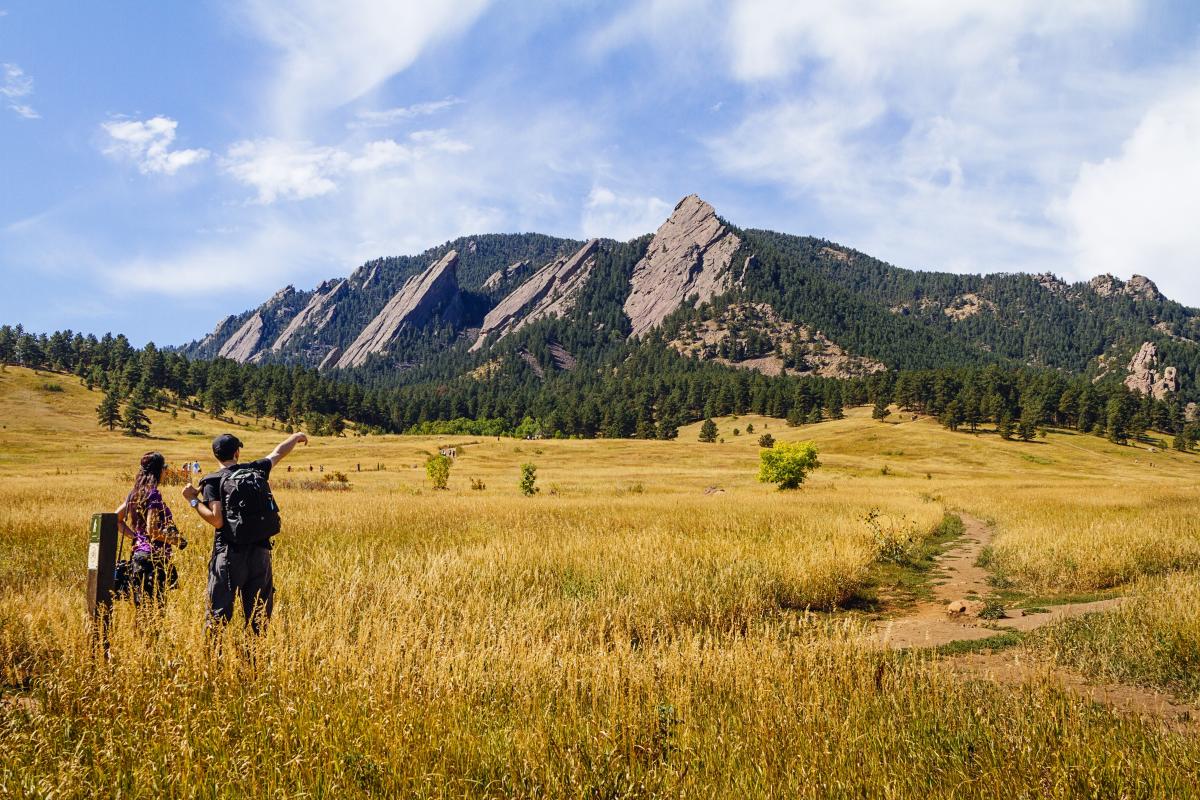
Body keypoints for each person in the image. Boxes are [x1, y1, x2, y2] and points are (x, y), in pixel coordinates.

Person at [182, 432, 307, 632]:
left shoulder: (212, 480)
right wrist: (296, 436)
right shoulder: (255, 469)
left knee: (218, 616)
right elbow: (278, 453)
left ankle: (215, 659)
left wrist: (193, 501)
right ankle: (254, 658)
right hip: (260, 552)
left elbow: (216, 519)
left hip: (229, 554)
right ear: (237, 452)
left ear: (215, 455)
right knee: (258, 616)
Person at [115, 452, 183, 607]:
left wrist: (137, 537)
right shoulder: (153, 494)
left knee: (143, 611)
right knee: (155, 612)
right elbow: (152, 530)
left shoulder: (135, 493)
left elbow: (116, 519)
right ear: (159, 470)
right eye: (165, 468)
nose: (166, 471)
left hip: (139, 557)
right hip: (153, 560)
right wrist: (176, 540)